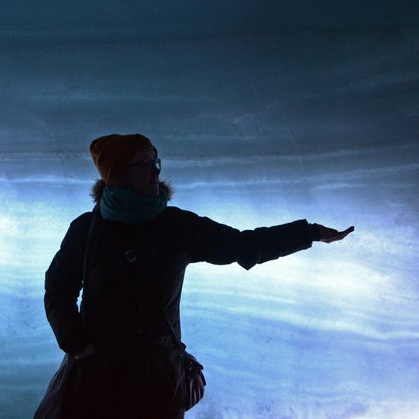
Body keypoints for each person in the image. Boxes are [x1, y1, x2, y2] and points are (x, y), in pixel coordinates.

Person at [43, 133, 354, 419]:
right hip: (99, 379)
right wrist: (78, 343)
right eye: (145, 164)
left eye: (156, 162)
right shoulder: (87, 230)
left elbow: (244, 245)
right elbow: (58, 290)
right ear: (119, 173)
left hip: (157, 382)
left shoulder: (176, 227)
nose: (156, 171)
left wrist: (308, 233)